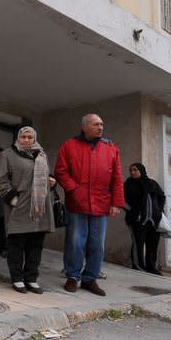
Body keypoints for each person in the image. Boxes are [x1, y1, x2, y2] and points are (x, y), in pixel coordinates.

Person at [55, 113, 124, 296]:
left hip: (101, 204)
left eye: (101, 124)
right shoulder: (69, 145)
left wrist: (116, 202)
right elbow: (61, 172)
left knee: (97, 244)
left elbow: (117, 178)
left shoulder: (110, 148)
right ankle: (72, 276)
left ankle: (90, 279)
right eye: (96, 124)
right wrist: (74, 190)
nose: (100, 127)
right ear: (85, 127)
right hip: (77, 202)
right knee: (75, 241)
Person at [0, 127, 55, 294]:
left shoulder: (41, 155)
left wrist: (51, 181)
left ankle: (31, 278)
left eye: (30, 137)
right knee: (16, 245)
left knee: (35, 245)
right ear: (18, 138)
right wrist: (14, 200)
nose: (27, 140)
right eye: (23, 137)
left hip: (39, 207)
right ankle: (17, 278)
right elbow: (0, 181)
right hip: (20, 206)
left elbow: (45, 176)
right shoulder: (8, 154)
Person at [123, 163, 165, 275]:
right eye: (130, 170)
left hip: (153, 220)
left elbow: (162, 197)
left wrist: (159, 211)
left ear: (141, 170)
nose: (132, 172)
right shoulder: (128, 185)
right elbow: (122, 200)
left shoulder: (152, 183)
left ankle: (151, 267)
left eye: (135, 170)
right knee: (138, 243)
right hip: (137, 220)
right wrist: (132, 211)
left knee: (153, 244)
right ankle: (138, 266)